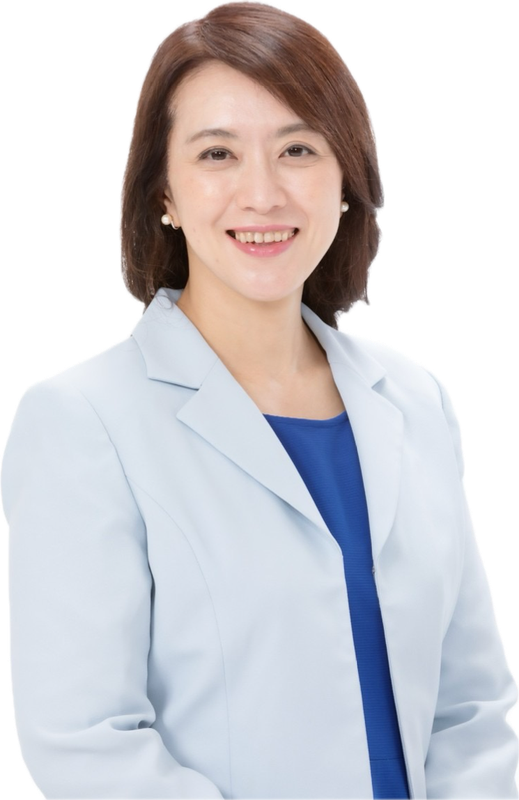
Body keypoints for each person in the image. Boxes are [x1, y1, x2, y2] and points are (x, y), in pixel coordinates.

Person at [2, 2, 518, 798]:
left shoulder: (416, 400)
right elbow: (85, 742)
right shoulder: (82, 419)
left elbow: (469, 708)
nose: (262, 193)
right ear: (164, 192)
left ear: (345, 180)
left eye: (297, 149)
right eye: (217, 154)